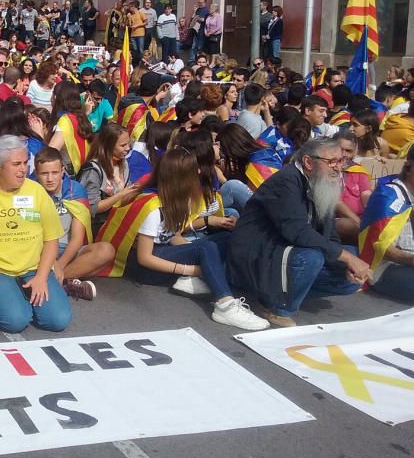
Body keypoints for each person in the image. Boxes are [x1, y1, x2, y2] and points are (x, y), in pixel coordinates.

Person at [226, 138, 371, 327]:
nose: (338, 167)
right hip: (257, 255)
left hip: (284, 254)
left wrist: (346, 264)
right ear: (309, 162)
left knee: (351, 274)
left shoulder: (321, 182)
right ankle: (273, 305)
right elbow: (296, 231)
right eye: (332, 162)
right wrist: (344, 257)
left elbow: (329, 234)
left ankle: (279, 293)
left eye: (341, 161)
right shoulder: (287, 180)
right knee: (313, 257)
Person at [125, 147, 270, 330]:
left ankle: (204, 279)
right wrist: (191, 269)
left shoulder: (178, 199)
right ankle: (225, 305)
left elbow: (173, 237)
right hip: (145, 268)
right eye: (194, 170)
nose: (199, 172)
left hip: (163, 252)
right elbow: (144, 257)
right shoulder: (153, 207)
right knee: (206, 248)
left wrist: (195, 254)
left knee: (224, 238)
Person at [0, 135, 71, 333]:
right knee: (16, 321)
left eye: (26, 163)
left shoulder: (36, 191)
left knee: (58, 320)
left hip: (33, 268)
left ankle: (20, 296)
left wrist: (42, 277)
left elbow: (51, 239)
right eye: (16, 164)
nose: (23, 169)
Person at [32, 147, 114, 300]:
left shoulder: (75, 190)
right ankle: (66, 285)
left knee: (106, 250)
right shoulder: (29, 190)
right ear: (36, 173)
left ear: (63, 170)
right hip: (38, 250)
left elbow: (77, 239)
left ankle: (56, 281)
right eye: (44, 173)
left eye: (55, 173)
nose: (50, 178)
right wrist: (51, 261)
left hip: (67, 250)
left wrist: (60, 266)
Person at [360, 146, 414, 303]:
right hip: (386, 267)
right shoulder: (388, 196)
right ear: (409, 167)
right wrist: (411, 260)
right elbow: (380, 248)